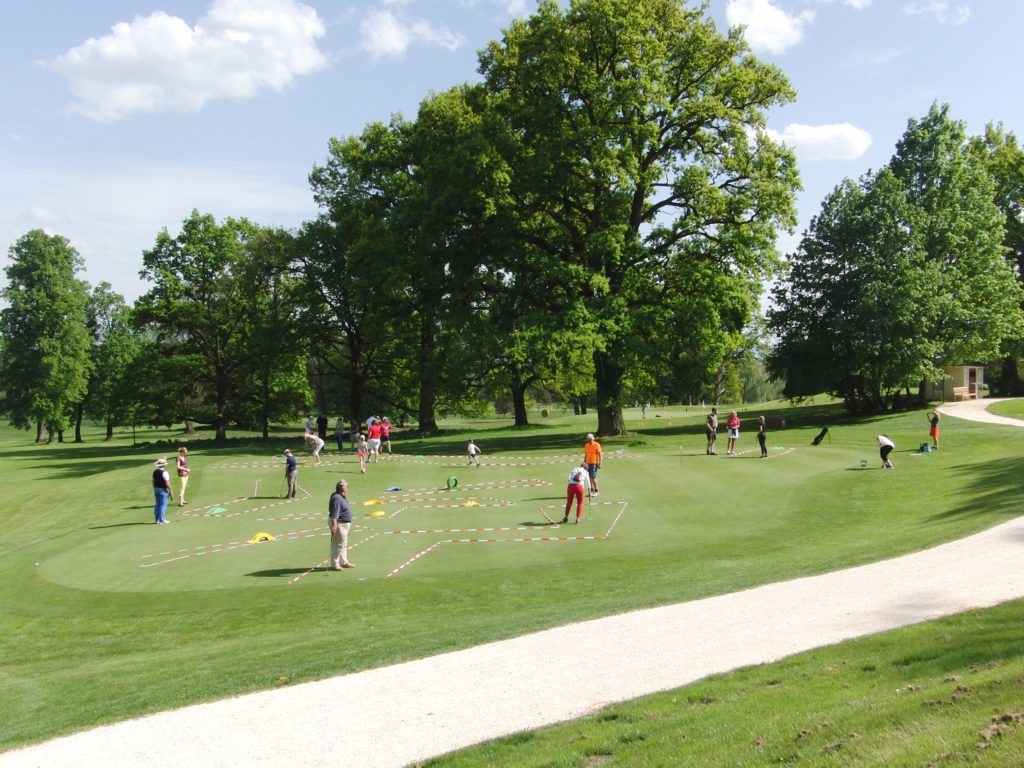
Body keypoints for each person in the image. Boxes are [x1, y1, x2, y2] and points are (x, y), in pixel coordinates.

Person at [328, 479, 355, 571]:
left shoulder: (340, 496)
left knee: (343, 544)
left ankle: (343, 562)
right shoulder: (337, 498)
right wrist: (334, 525)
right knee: (338, 544)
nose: (347, 488)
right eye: (346, 486)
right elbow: (334, 513)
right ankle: (334, 564)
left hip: (344, 523)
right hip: (339, 523)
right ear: (342, 487)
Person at [152, 458, 172, 524]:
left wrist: (154, 488)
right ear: (164, 465)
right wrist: (171, 490)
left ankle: (156, 519)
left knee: (157, 504)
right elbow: (167, 483)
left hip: (156, 489)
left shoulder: (155, 472)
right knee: (163, 505)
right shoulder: (165, 473)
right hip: (162, 490)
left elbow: (153, 481)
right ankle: (161, 520)